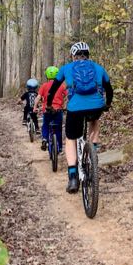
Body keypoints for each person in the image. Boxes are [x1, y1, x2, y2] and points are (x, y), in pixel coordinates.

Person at [46, 42, 113, 193]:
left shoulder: (66, 68)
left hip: (75, 108)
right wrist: (107, 104)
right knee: (94, 121)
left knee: (70, 138)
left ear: (73, 55)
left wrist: (49, 105)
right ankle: (93, 154)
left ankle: (73, 176)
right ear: (88, 55)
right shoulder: (98, 68)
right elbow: (109, 89)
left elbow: (52, 90)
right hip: (96, 106)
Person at [35, 66, 66, 154]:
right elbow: (68, 95)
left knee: (45, 125)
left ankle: (45, 138)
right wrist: (65, 105)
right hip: (58, 110)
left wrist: (35, 107)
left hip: (47, 110)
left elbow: (38, 98)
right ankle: (59, 148)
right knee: (58, 129)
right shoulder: (61, 86)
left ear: (47, 76)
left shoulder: (44, 86)